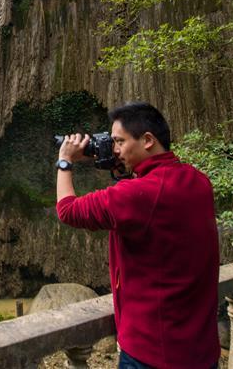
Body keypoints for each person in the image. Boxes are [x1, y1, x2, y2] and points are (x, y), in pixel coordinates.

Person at [55, 102, 220, 369]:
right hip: (201, 351)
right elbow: (148, 214)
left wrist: (65, 161)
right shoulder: (199, 181)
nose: (115, 149)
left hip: (152, 353)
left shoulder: (137, 196)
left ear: (147, 140)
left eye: (119, 142)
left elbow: (68, 210)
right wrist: (119, 168)